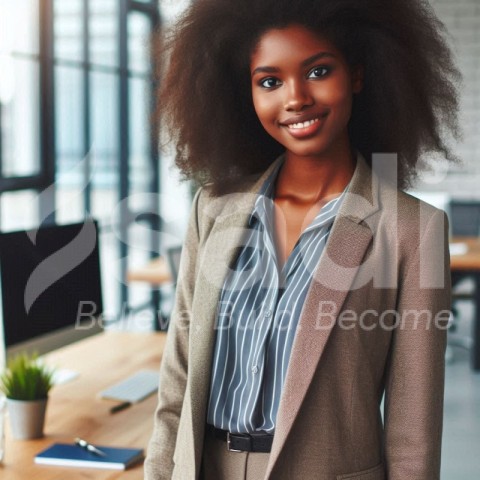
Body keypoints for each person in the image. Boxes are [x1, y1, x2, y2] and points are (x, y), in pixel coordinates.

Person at [145, 0, 460, 478]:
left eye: (317, 71)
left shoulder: (415, 230)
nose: (295, 98)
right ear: (246, 94)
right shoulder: (212, 209)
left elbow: (412, 432)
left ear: (357, 74)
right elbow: (178, 384)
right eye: (269, 81)